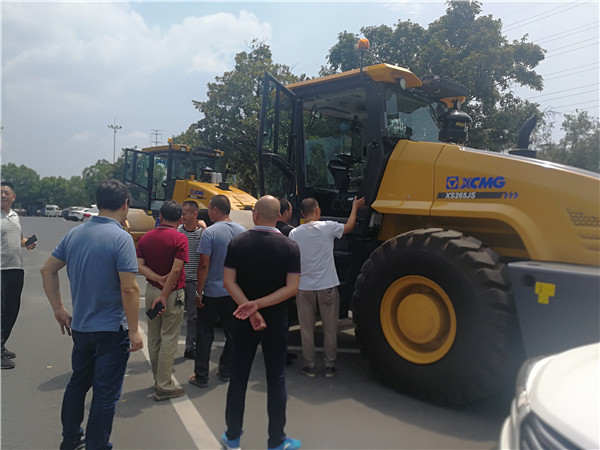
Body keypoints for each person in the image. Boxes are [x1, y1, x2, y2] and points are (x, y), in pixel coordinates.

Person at [40, 179, 143, 450]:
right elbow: (129, 288)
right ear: (125, 204)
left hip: (82, 328)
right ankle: (97, 445)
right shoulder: (121, 238)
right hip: (112, 330)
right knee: (105, 395)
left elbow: (47, 270)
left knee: (78, 384)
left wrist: (58, 308)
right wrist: (134, 330)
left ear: (98, 203)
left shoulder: (75, 234)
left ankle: (71, 438)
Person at [221, 195, 302, 450]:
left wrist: (250, 307)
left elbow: (228, 282)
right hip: (276, 322)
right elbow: (292, 288)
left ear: (255, 214)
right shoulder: (290, 246)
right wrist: (259, 305)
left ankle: (232, 437)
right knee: (276, 378)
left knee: (238, 377)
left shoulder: (237, 243)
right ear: (278, 216)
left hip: (242, 319)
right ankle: (276, 440)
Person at [289, 195, 365, 378]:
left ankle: (310, 366)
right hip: (327, 286)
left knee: (306, 329)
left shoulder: (294, 233)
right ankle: (330, 366)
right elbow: (350, 226)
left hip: (304, 288)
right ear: (317, 210)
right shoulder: (328, 227)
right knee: (330, 328)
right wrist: (354, 207)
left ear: (302, 214)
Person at [189, 195, 246, 388]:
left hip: (211, 292)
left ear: (214, 210)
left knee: (205, 335)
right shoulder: (242, 231)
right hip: (233, 292)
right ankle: (226, 370)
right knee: (233, 334)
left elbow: (204, 265)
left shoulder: (210, 233)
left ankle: (201, 376)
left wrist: (198, 292)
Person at [137, 200, 188, 401]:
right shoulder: (180, 238)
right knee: (169, 337)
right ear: (180, 219)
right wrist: (164, 294)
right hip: (172, 293)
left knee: (154, 336)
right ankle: (165, 384)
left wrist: (157, 279)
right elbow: (176, 270)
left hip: (151, 290)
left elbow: (140, 266)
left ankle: (157, 378)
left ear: (160, 217)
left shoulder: (146, 238)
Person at [1, 181, 36, 370]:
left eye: (6, 193)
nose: (3, 196)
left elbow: (20, 239)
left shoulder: (15, 216)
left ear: (13, 197)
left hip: (16, 268)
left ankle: (2, 344)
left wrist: (27, 243)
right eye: (0, 193)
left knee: (11, 310)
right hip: (1, 270)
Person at [177, 200, 205, 359]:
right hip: (179, 281)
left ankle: (190, 347)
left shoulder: (201, 234)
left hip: (194, 281)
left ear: (195, 214)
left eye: (185, 214)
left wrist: (205, 228)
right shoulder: (178, 232)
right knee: (175, 314)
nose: (182, 217)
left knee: (193, 317)